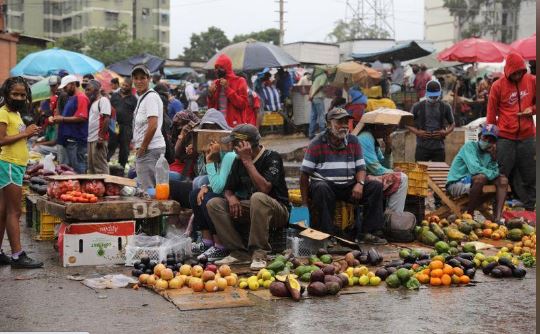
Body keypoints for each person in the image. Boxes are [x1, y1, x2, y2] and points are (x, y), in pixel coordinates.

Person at [207, 124, 289, 270]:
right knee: (214, 203)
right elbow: (228, 189)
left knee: (258, 197)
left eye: (234, 143)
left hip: (277, 211)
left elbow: (264, 188)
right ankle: (238, 252)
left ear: (246, 144)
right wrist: (231, 197)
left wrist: (248, 162)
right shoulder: (237, 161)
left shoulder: (272, 157)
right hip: (253, 208)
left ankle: (259, 253)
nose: (231, 147)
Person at [299, 108, 387, 244]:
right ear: (329, 124)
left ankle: (368, 232)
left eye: (346, 121)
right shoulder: (317, 143)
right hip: (326, 186)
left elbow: (361, 168)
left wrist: (360, 183)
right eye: (340, 122)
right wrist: (304, 203)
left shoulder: (353, 141)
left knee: (375, 186)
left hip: (348, 186)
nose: (344, 125)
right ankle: (327, 236)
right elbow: (304, 174)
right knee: (321, 188)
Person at [0, 76, 43, 268]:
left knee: (3, 211)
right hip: (8, 164)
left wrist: (28, 133)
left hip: (14, 165)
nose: (18, 97)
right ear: (6, 94)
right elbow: (1, 139)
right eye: (14, 94)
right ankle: (18, 255)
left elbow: (15, 138)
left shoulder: (16, 114)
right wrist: (26, 133)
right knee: (14, 211)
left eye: (22, 94)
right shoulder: (3, 113)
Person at [487, 52, 536, 211]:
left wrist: (532, 109)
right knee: (502, 174)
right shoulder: (498, 86)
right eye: (514, 73)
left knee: (530, 173)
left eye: (520, 72)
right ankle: (497, 208)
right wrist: (492, 140)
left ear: (523, 70)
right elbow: (490, 116)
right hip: (505, 138)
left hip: (527, 136)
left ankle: (530, 208)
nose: (517, 76)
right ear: (508, 71)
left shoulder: (532, 81)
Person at [188, 109, 235, 260]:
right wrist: (205, 187)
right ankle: (207, 241)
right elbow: (214, 183)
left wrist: (210, 161)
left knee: (209, 199)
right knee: (195, 194)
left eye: (215, 130)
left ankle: (219, 246)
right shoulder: (212, 150)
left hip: (232, 193)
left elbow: (219, 187)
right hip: (222, 188)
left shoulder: (228, 154)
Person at [446, 124, 507, 222]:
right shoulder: (469, 146)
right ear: (479, 136)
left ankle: (498, 218)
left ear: (494, 143)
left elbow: (494, 172)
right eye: (485, 137)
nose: (487, 141)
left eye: (491, 140)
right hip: (457, 184)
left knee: (503, 180)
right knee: (481, 178)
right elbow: (475, 170)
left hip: (474, 183)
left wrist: (494, 158)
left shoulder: (490, 153)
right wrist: (494, 174)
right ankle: (469, 215)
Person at [358, 124, 408, 213]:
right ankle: (393, 218)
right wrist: (392, 172)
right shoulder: (365, 138)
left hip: (371, 176)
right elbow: (376, 169)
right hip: (362, 178)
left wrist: (388, 146)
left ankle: (391, 216)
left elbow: (385, 166)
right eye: (390, 128)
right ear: (379, 127)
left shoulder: (373, 139)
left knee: (400, 176)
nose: (391, 131)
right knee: (402, 178)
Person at [131, 64, 166, 191]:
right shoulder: (143, 97)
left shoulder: (151, 97)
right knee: (150, 189)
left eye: (142, 78)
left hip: (150, 150)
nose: (139, 81)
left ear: (149, 79)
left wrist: (143, 147)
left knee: (148, 190)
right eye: (136, 78)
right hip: (148, 149)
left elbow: (153, 125)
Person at [407, 80, 455, 162]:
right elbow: (407, 124)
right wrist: (418, 132)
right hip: (422, 147)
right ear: (426, 93)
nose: (433, 98)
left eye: (435, 96)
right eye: (431, 96)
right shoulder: (417, 106)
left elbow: (452, 124)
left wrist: (446, 132)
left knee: (438, 172)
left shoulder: (445, 107)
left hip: (439, 148)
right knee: (420, 173)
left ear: (439, 93)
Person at [52, 75, 89, 174]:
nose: (64, 90)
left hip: (77, 141)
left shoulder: (81, 98)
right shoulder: (71, 98)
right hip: (69, 140)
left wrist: (62, 119)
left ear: (72, 85)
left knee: (78, 169)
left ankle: (81, 188)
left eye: (65, 87)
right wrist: (58, 118)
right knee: (69, 170)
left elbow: (82, 117)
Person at [207, 54, 249, 128]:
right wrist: (210, 95)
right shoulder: (215, 83)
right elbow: (211, 108)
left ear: (227, 67)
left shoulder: (240, 81)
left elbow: (243, 105)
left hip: (235, 125)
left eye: (221, 67)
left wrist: (227, 89)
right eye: (216, 68)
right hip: (218, 124)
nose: (218, 70)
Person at [108, 78, 137, 169]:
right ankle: (105, 162)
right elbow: (110, 109)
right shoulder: (114, 96)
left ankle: (122, 166)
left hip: (126, 126)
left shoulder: (133, 99)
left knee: (124, 147)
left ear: (130, 87)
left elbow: (135, 114)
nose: (124, 87)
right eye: (123, 85)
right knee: (111, 145)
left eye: (126, 86)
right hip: (115, 124)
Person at [85, 80, 111, 174]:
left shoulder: (103, 100)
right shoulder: (93, 103)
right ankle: (94, 187)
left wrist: (101, 137)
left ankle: (106, 186)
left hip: (98, 139)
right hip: (91, 138)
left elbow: (106, 119)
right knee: (91, 167)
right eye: (86, 90)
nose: (86, 92)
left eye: (89, 89)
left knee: (100, 167)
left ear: (96, 90)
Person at [308, 68, 329, 139]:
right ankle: (323, 134)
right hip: (318, 98)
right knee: (321, 115)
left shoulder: (318, 77)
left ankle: (311, 134)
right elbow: (321, 86)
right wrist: (313, 94)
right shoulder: (324, 76)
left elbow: (312, 87)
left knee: (313, 116)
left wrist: (310, 96)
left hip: (314, 98)